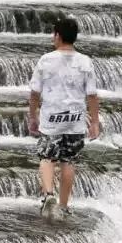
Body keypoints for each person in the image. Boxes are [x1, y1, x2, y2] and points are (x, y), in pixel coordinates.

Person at [28, 18, 100, 220]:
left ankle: (48, 195)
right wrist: (94, 121)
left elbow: (35, 92)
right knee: (68, 161)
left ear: (58, 36)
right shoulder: (85, 62)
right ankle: (64, 205)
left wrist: (32, 116)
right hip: (75, 119)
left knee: (46, 157)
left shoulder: (46, 60)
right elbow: (92, 95)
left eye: (54, 34)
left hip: (51, 118)